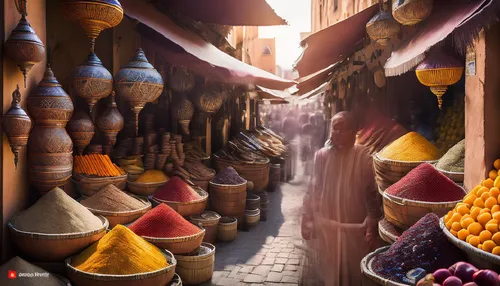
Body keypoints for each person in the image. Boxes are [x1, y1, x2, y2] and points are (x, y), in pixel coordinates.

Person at [301, 111, 382, 286]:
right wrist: (306, 216)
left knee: (353, 274)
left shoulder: (363, 155)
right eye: (333, 129)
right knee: (330, 273)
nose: (334, 133)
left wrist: (371, 218)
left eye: (340, 129)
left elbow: (370, 191)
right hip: (328, 229)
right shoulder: (322, 156)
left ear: (353, 132)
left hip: (354, 230)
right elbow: (313, 189)